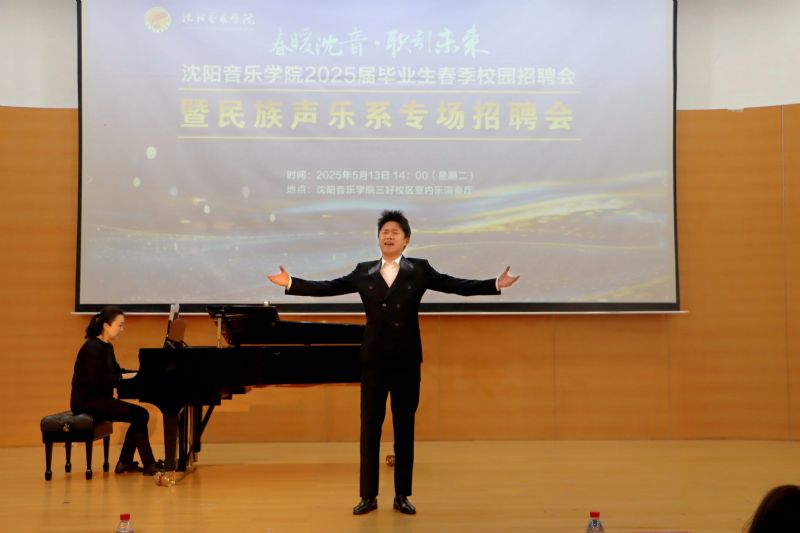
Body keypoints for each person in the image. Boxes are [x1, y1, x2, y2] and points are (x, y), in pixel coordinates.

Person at [268, 210, 519, 515]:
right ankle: (367, 496)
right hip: (373, 360)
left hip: (406, 360)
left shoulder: (420, 269)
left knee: (404, 428)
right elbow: (328, 287)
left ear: (406, 240)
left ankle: (402, 495)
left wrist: (494, 283)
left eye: (395, 232)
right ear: (378, 238)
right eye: (384, 232)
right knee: (369, 429)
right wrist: (291, 282)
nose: (388, 236)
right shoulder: (363, 271)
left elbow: (456, 285)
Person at [70, 306, 162, 475]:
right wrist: (124, 377)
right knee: (140, 415)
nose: (122, 329)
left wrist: (140, 374)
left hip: (100, 399)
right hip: (87, 401)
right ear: (106, 326)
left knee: (139, 415)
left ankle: (126, 462)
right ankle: (146, 464)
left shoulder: (107, 347)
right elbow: (98, 381)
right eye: (120, 325)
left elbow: (116, 371)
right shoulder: (91, 348)